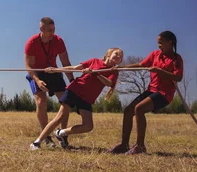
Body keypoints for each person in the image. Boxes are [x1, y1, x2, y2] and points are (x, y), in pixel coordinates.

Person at [30, 48, 123, 150]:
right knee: (60, 117)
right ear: (109, 55)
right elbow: (74, 68)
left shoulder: (114, 71)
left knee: (88, 126)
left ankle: (61, 133)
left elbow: (108, 83)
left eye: (120, 57)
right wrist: (55, 70)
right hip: (75, 90)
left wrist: (95, 73)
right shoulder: (94, 61)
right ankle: (36, 143)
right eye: (116, 54)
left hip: (87, 98)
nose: (118, 57)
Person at [110, 30, 183, 155]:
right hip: (151, 90)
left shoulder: (177, 59)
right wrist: (121, 68)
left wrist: (159, 71)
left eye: (161, 42)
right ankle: (124, 145)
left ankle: (140, 146)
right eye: (158, 43)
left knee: (139, 109)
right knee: (128, 111)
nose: (158, 45)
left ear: (170, 42)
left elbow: (178, 78)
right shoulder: (155, 54)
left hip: (165, 94)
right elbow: (140, 64)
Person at [24, 17, 74, 148]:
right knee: (41, 102)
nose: (53, 33)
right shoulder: (32, 42)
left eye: (54, 29)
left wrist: (72, 81)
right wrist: (38, 80)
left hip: (54, 71)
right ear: (42, 29)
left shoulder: (58, 41)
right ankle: (46, 136)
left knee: (65, 101)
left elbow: (65, 62)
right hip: (37, 73)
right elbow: (29, 66)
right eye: (50, 30)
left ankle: (63, 135)